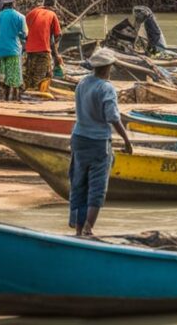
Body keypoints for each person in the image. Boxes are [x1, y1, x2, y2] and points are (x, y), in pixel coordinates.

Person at [69, 48, 133, 236]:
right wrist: (126, 140)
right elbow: (113, 117)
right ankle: (88, 228)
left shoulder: (82, 83)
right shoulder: (106, 88)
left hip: (79, 138)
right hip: (98, 142)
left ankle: (79, 229)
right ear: (107, 68)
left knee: (79, 183)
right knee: (97, 187)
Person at [24, 0, 63, 93]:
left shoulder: (32, 12)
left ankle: (27, 93)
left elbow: (24, 29)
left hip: (29, 50)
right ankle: (35, 98)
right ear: (54, 5)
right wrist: (55, 53)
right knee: (41, 78)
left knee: (29, 76)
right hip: (43, 51)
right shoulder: (52, 15)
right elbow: (58, 35)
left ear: (43, 2)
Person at [0, 0, 27, 101]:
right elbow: (25, 34)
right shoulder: (20, 16)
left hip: (1, 49)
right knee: (15, 76)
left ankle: (4, 98)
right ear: (13, 3)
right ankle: (14, 99)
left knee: (5, 74)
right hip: (14, 49)